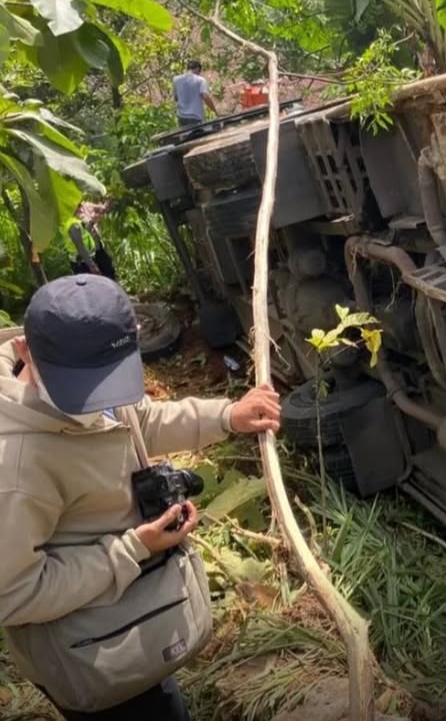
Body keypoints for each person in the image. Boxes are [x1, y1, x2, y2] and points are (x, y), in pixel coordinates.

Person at [0, 274, 280, 721]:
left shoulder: (76, 374)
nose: (98, 404)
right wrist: (132, 548)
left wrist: (227, 416)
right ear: (28, 352)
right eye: (84, 391)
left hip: (129, 608)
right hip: (86, 647)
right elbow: (12, 593)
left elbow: (140, 420)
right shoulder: (14, 465)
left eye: (107, 386)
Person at [172, 59, 217, 126]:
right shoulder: (200, 80)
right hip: (195, 116)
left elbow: (176, 98)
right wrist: (214, 111)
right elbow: (205, 96)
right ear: (198, 69)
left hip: (181, 116)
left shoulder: (176, 80)